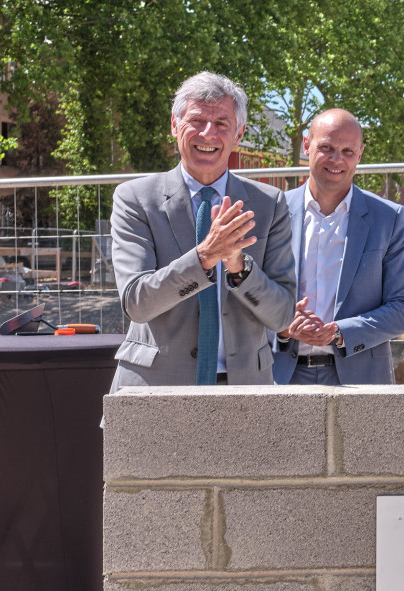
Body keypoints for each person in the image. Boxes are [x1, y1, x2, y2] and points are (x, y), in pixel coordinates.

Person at [109, 72, 296, 390]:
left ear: (239, 134)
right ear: (174, 125)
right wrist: (205, 256)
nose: (208, 134)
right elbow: (137, 304)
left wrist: (239, 268)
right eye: (197, 120)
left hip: (246, 390)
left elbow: (282, 317)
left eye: (222, 123)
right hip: (156, 388)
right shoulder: (135, 199)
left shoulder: (270, 204)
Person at [272, 109, 404, 385]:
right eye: (326, 147)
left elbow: (403, 308)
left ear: (360, 154)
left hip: (360, 379)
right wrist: (282, 327)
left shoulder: (388, 218)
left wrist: (340, 332)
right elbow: (247, 298)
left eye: (347, 151)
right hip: (281, 375)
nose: (336, 159)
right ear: (306, 145)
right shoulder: (272, 212)